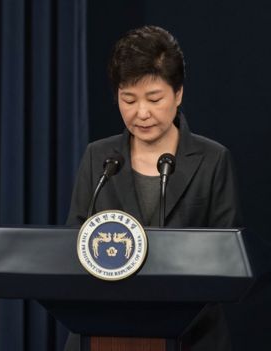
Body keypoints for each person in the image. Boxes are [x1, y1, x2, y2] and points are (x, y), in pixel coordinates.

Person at [65, 26, 242, 351]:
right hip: (104, 333)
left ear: (178, 94)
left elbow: (227, 257)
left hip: (191, 335)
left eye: (154, 98)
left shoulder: (212, 159)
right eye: (128, 99)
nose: (141, 113)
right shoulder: (99, 158)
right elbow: (73, 243)